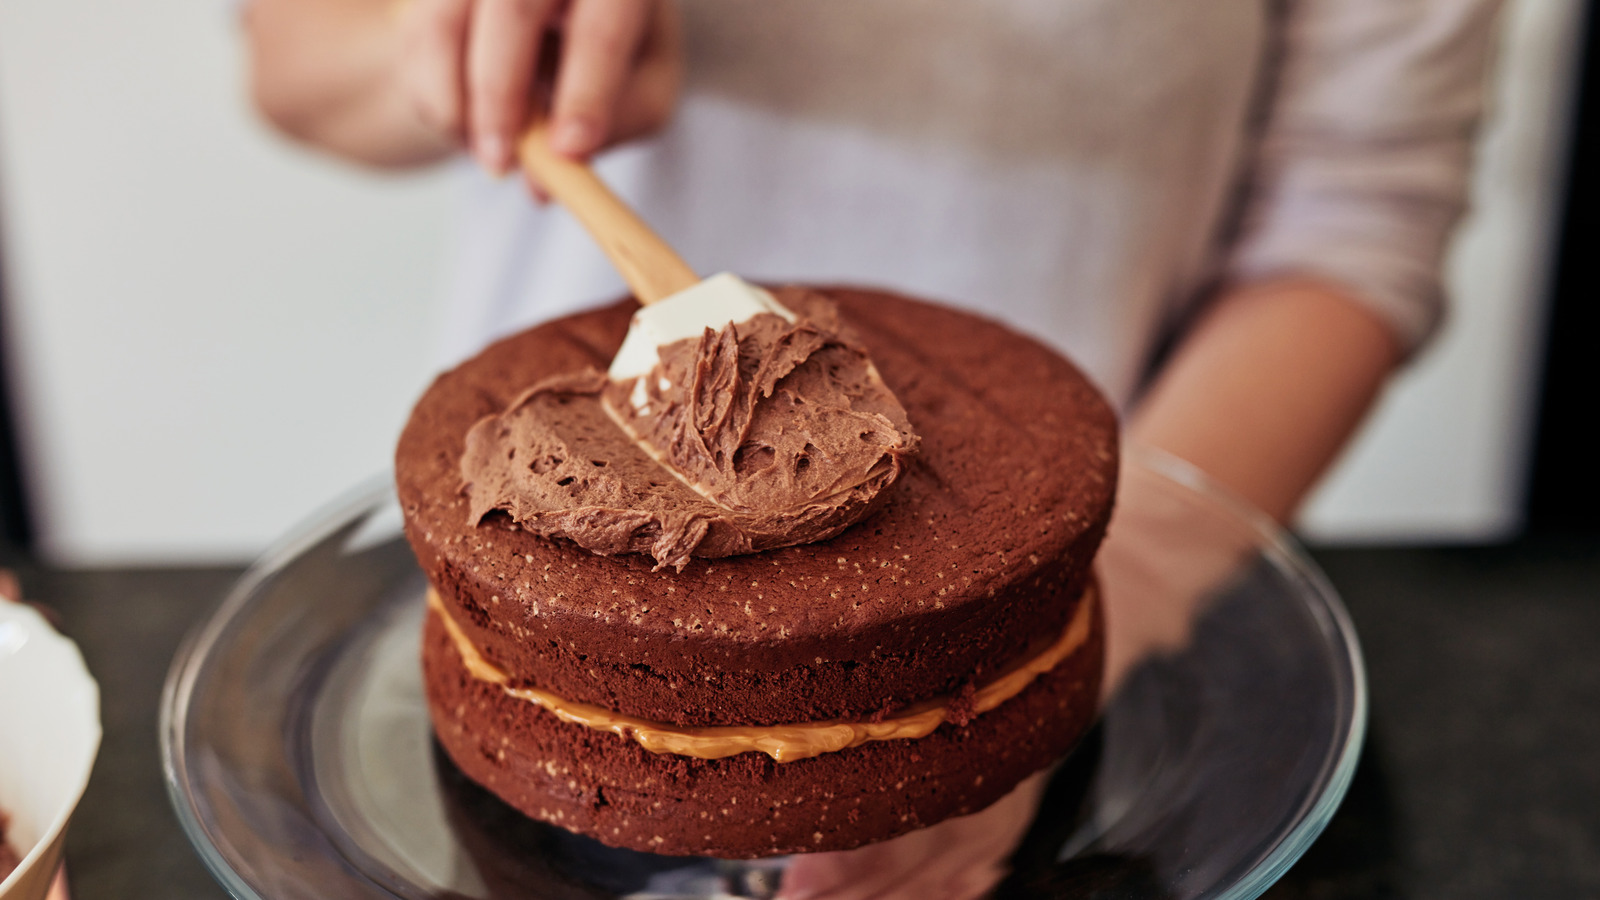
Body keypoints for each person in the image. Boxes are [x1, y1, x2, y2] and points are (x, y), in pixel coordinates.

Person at [242, 2, 1503, 897]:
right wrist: (437, 44)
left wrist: (1026, 664)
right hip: (536, 553)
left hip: (1104, 651)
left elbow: (1356, 220)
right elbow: (287, 55)